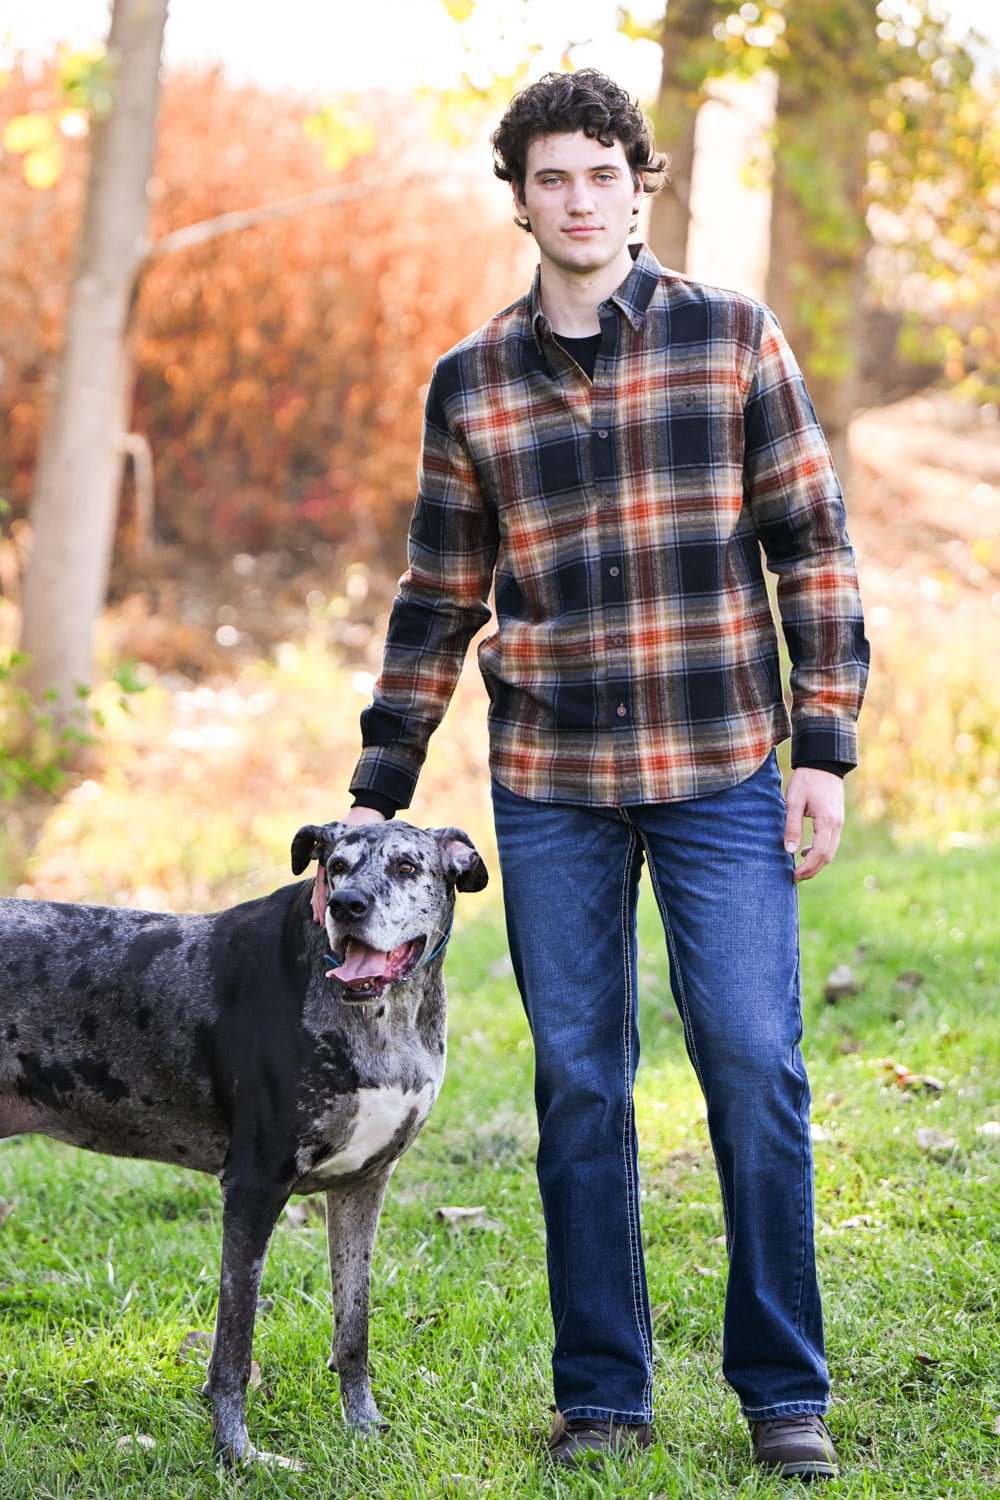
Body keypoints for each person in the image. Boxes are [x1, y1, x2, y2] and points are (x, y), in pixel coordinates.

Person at [342, 69, 869, 1480]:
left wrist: (823, 747)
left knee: (755, 1064)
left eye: (602, 174)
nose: (579, 199)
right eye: (550, 178)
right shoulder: (471, 384)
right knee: (582, 1083)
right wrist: (383, 775)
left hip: (718, 767)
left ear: (642, 186)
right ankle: (605, 1393)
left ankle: (782, 1391)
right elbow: (439, 593)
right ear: (518, 199)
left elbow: (812, 546)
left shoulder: (732, 341)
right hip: (553, 777)